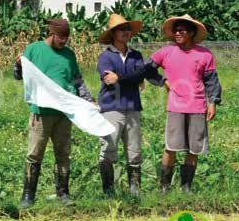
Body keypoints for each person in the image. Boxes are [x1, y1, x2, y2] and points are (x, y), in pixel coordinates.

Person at [14, 19, 95, 207]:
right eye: (61, 37)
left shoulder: (69, 55)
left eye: (67, 38)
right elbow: (18, 76)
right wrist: (18, 64)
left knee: (63, 153)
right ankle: (28, 195)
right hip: (41, 112)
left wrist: (89, 99)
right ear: (51, 34)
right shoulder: (34, 50)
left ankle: (63, 193)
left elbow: (77, 81)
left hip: (64, 113)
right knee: (34, 154)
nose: (64, 41)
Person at [148, 15, 222, 193]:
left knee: (194, 149)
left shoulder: (205, 54)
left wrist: (213, 102)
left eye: (182, 29)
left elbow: (212, 80)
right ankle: (164, 187)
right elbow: (147, 69)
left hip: (197, 107)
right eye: (176, 30)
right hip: (175, 108)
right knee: (171, 147)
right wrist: (163, 80)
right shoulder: (165, 52)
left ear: (191, 32)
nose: (178, 33)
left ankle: (186, 187)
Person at [96, 14, 165, 198]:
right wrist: (135, 77)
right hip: (111, 108)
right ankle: (108, 191)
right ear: (113, 33)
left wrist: (126, 77)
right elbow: (111, 81)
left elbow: (137, 75)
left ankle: (135, 190)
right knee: (108, 149)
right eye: (122, 29)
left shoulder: (136, 55)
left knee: (134, 150)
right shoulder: (105, 57)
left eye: (128, 29)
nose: (126, 32)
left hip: (133, 107)